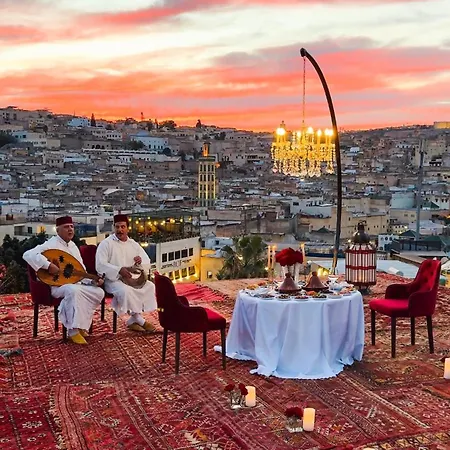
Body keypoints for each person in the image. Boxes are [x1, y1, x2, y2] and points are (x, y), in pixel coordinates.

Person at [23, 216, 104, 345]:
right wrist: (48, 265)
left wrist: (93, 281)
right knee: (72, 290)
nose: (70, 229)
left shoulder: (73, 246)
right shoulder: (51, 244)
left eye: (72, 226)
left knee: (98, 292)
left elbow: (80, 273)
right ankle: (72, 331)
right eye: (66, 227)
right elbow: (28, 254)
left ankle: (81, 325)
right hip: (57, 286)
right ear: (58, 230)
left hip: (74, 283)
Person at [95, 214, 157, 332]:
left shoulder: (133, 244)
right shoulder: (106, 244)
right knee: (125, 291)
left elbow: (146, 261)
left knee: (150, 286)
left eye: (123, 227)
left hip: (132, 278)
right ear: (114, 227)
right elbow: (100, 265)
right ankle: (139, 320)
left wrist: (139, 262)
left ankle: (132, 320)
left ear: (127, 228)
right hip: (113, 280)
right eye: (117, 227)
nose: (120, 230)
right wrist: (118, 270)